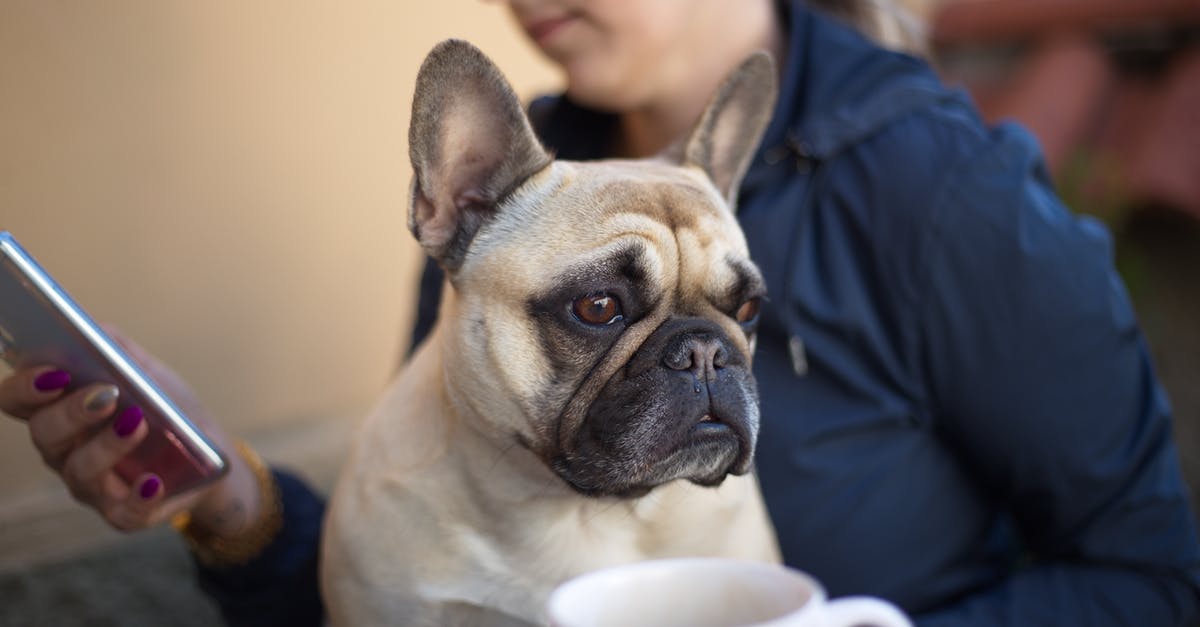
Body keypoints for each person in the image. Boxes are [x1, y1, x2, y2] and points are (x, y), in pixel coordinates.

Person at [3, 0, 1198, 625]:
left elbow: (1158, 579)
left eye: (732, 319)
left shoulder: (946, 195)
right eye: (593, 310)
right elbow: (410, 568)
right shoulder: (525, 196)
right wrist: (234, 500)